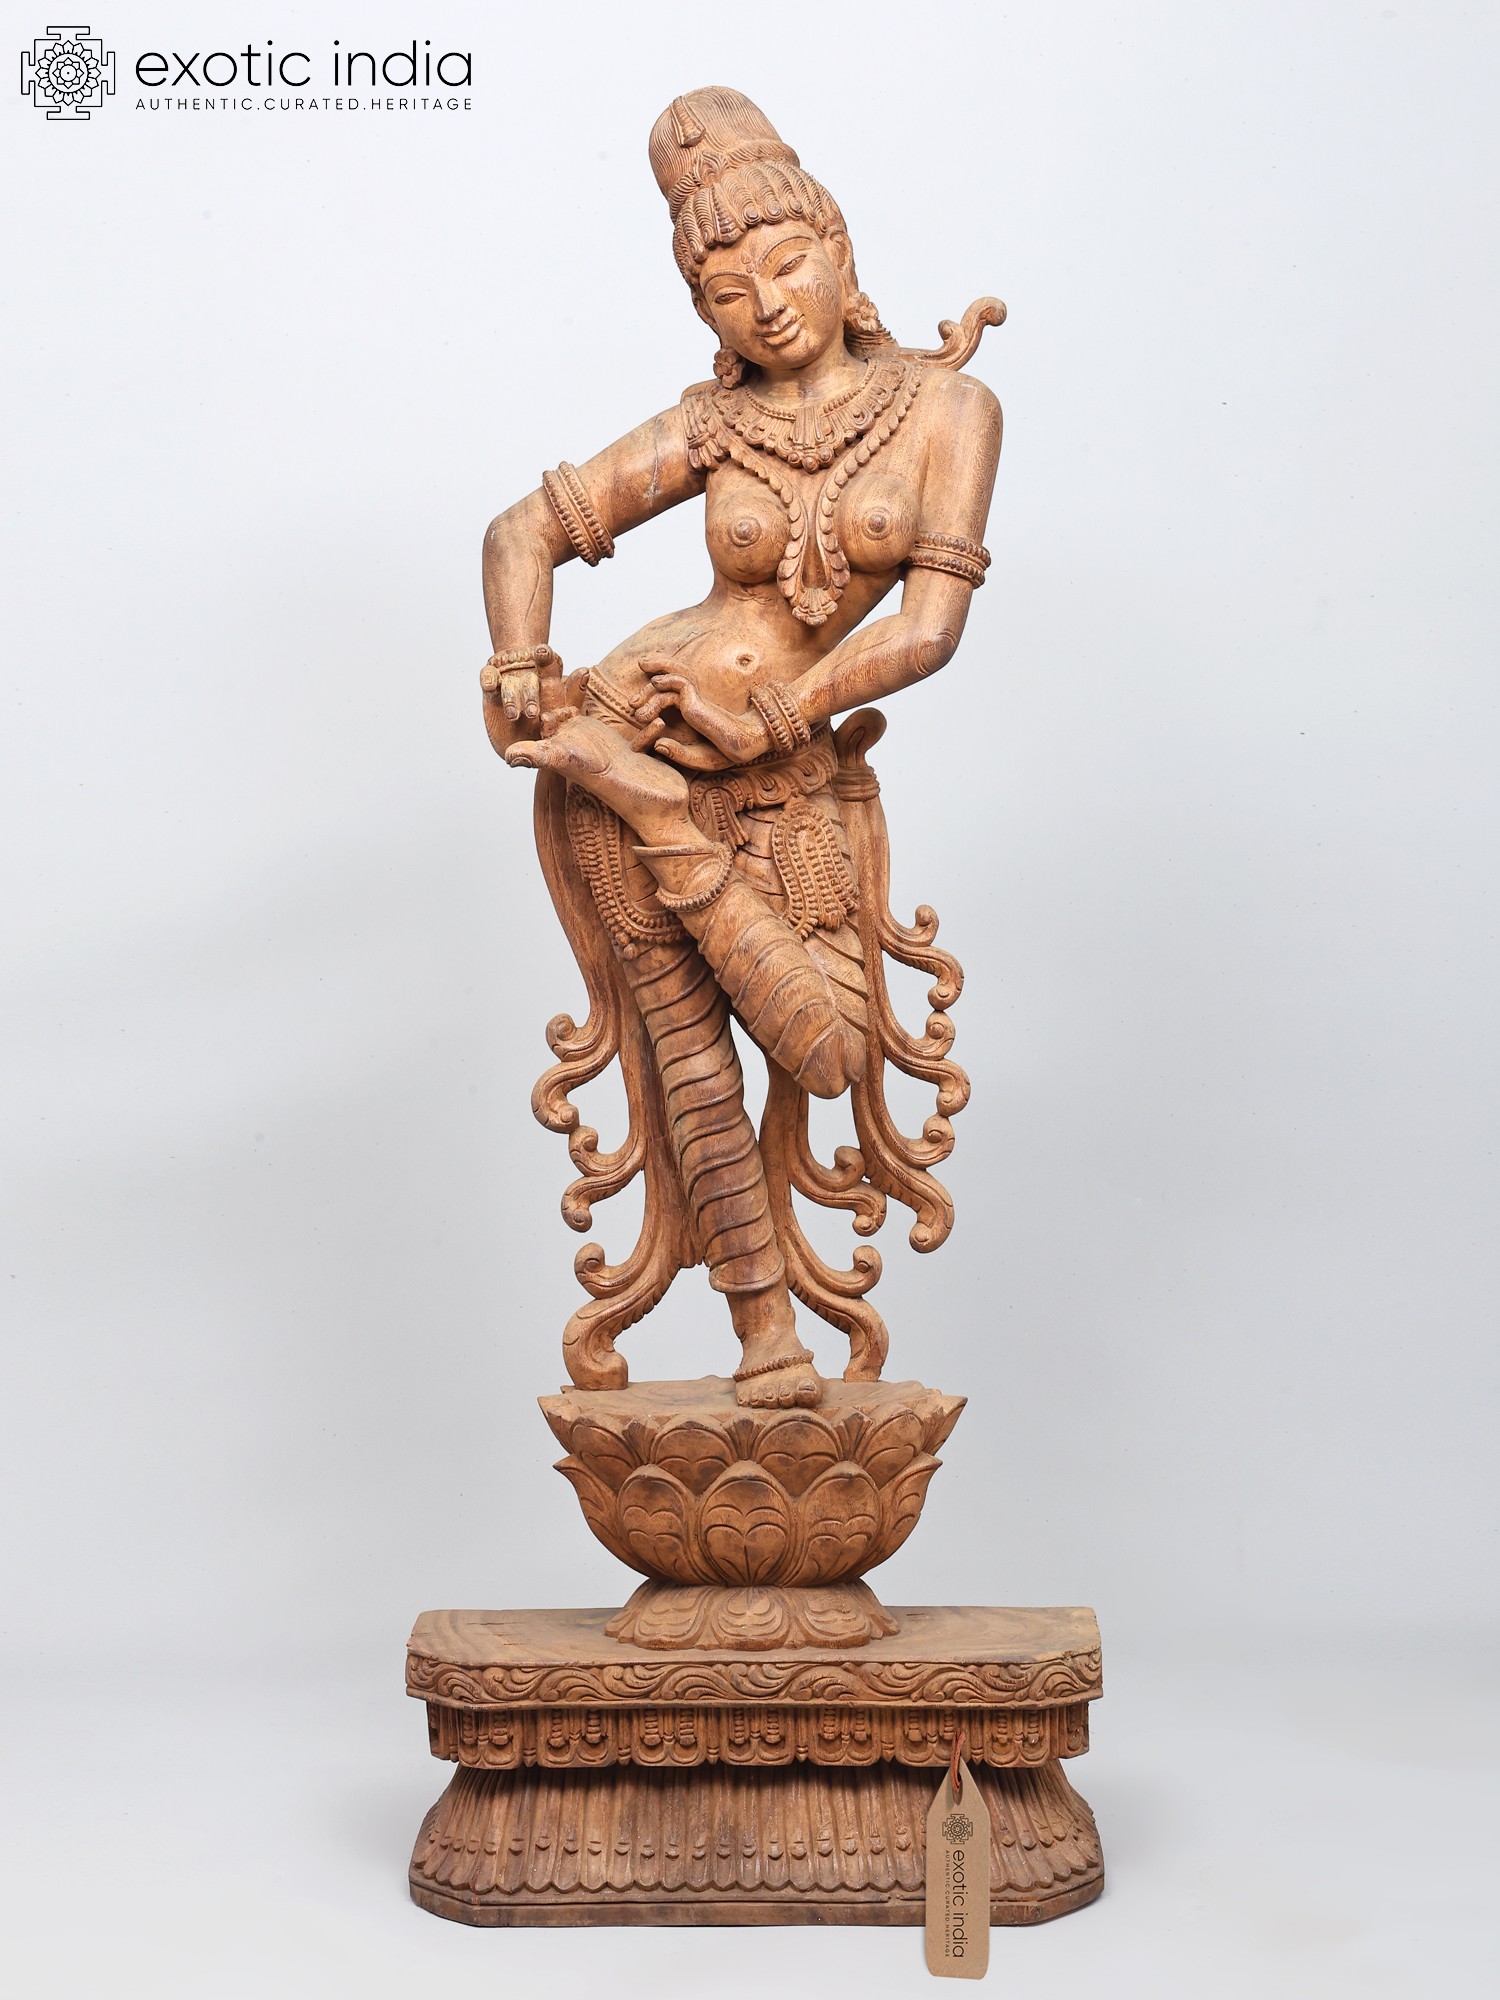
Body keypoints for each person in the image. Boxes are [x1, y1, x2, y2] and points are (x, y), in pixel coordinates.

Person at [480, 87, 1002, 1408]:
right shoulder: (716, 426)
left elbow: (929, 629)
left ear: (840, 249)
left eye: (787, 263)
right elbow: (518, 535)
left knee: (827, 1051)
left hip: (776, 770)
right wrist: (521, 671)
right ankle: (767, 1339)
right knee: (688, 1058)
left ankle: (658, 809)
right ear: (702, 311)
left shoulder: (947, 409)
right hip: (628, 744)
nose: (766, 306)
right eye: (725, 290)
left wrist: (768, 720)